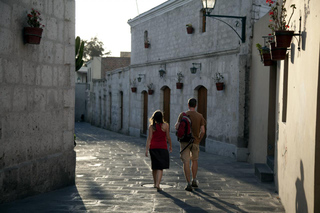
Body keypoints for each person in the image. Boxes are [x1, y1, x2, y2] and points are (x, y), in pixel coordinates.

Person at [175, 98, 206, 191]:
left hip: (184, 142)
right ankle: (194, 180)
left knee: (186, 162)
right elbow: (203, 131)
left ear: (188, 105)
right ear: (195, 105)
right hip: (195, 141)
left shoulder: (183, 115)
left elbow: (177, 126)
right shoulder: (200, 116)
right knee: (195, 161)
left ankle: (188, 183)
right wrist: (199, 139)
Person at [145, 110, 173, 192]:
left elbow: (149, 138)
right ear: (162, 117)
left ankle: (155, 183)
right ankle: (158, 184)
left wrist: (147, 149)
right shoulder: (165, 126)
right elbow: (168, 137)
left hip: (153, 148)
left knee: (154, 166)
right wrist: (170, 146)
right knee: (160, 167)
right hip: (162, 148)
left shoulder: (151, 127)